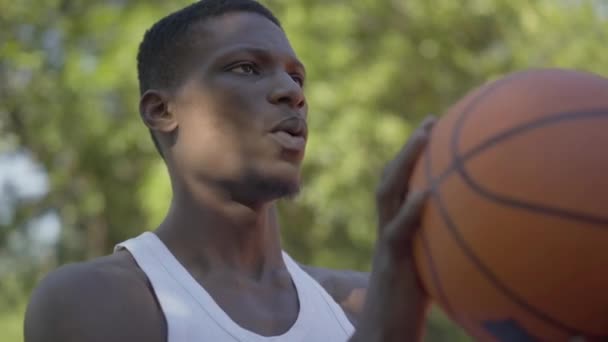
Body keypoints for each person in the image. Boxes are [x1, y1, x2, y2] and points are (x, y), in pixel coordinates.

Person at [23, 1, 436, 341]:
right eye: (246, 68)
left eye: (297, 77)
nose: (292, 93)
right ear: (162, 111)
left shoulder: (359, 301)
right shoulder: (95, 300)